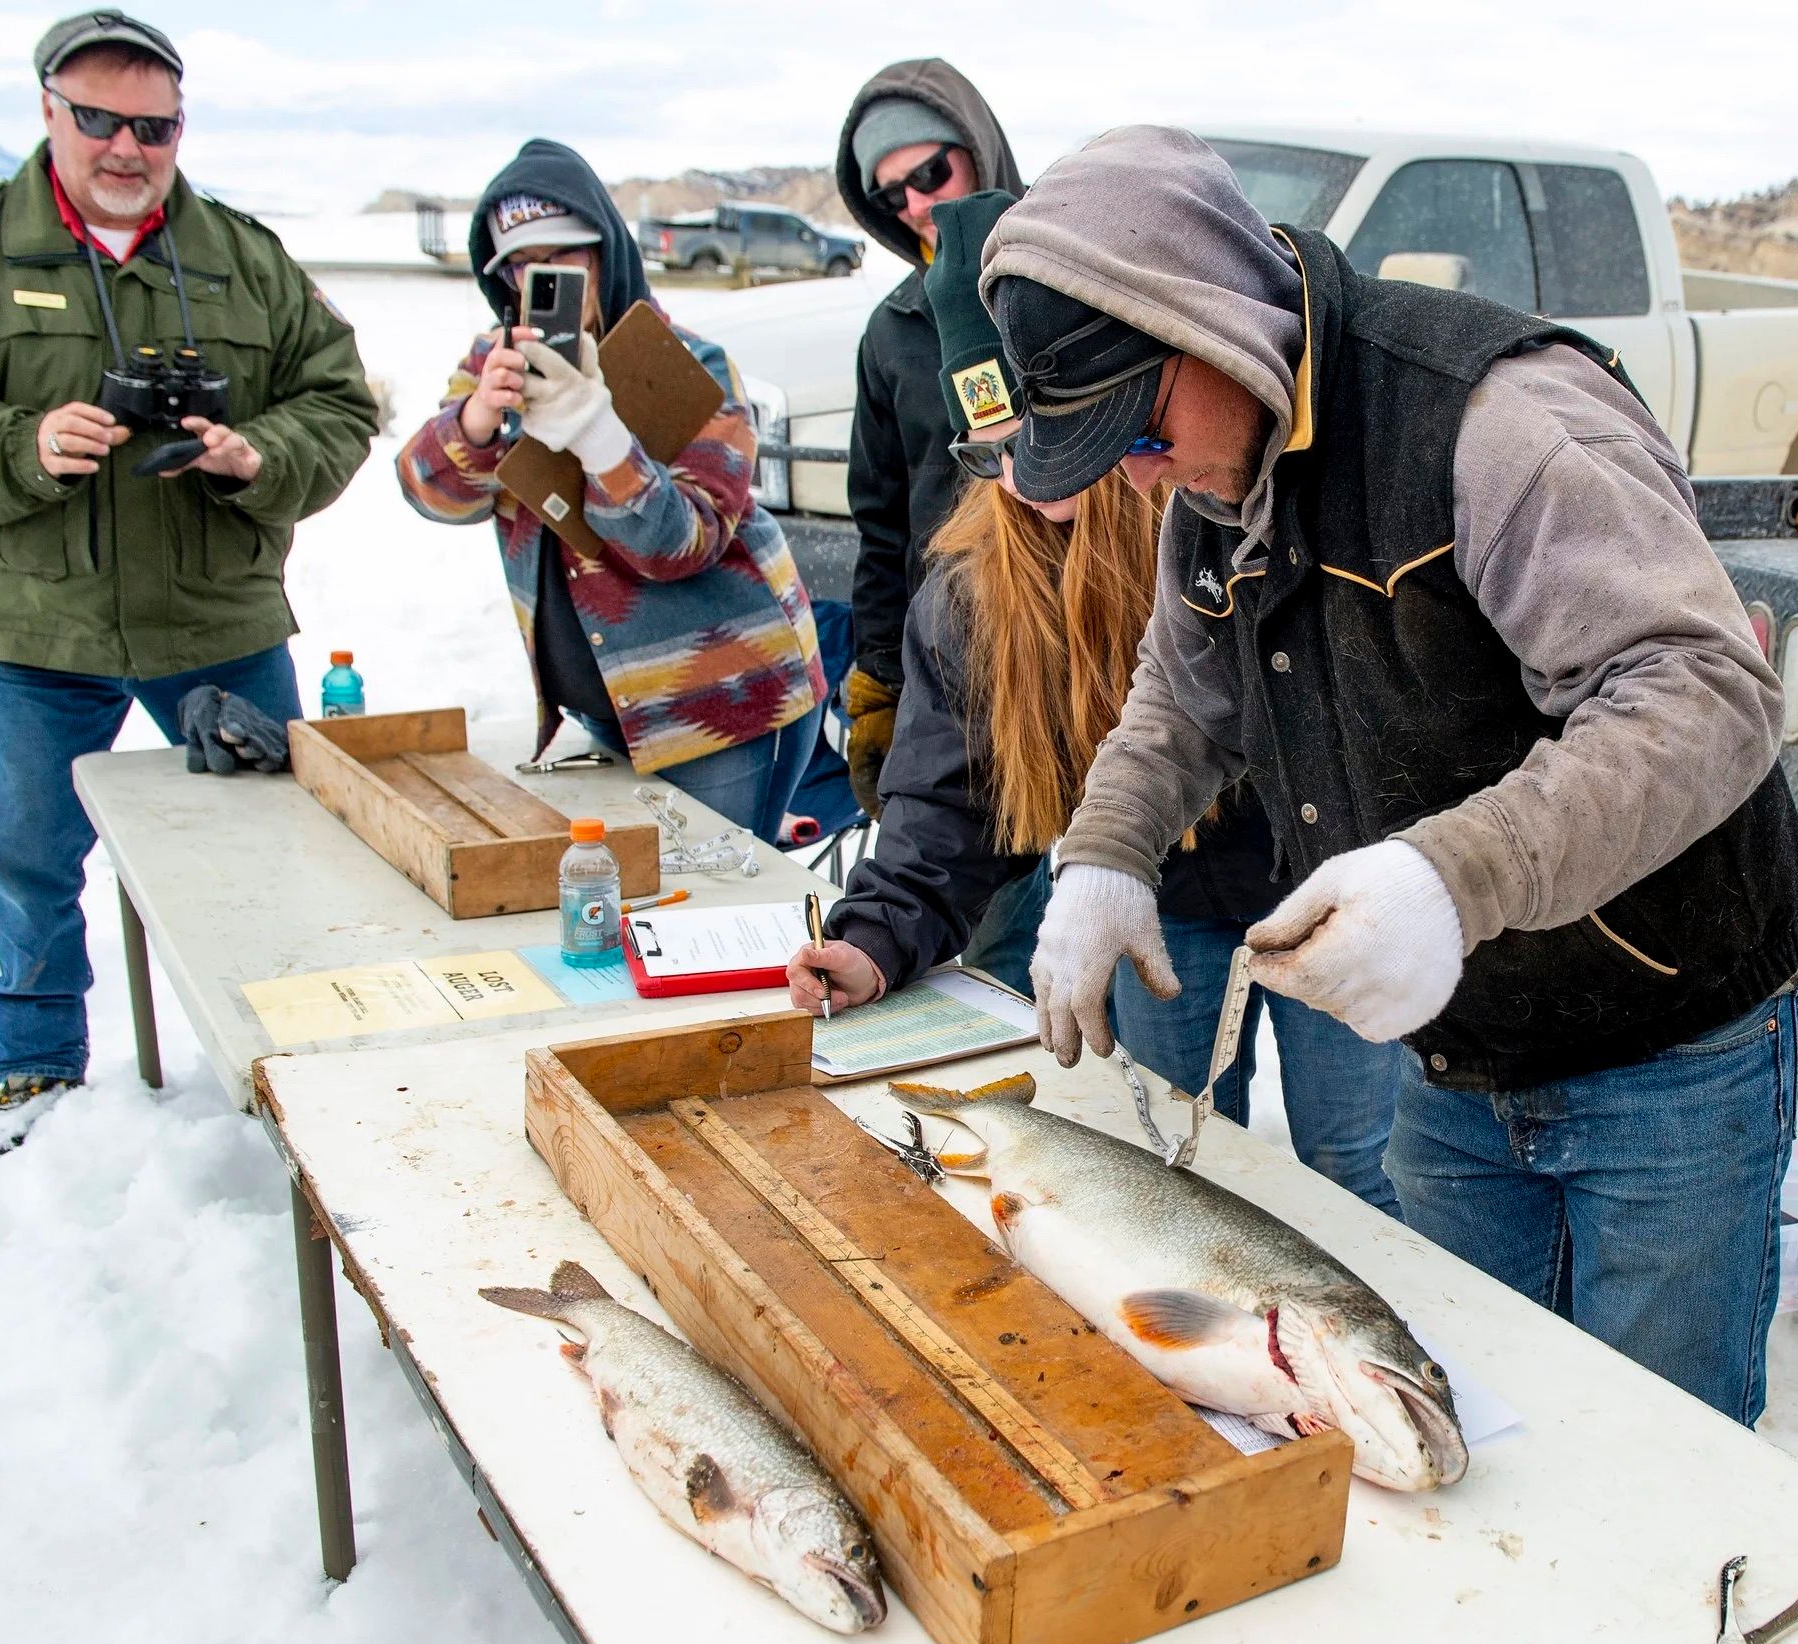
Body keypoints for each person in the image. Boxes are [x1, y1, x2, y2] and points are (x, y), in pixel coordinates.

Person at [978, 129, 1798, 1425]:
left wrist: (1452, 873)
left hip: (1663, 1035)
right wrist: (1105, 854)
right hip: (1457, 1051)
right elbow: (1179, 697)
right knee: (1473, 1413)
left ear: (1211, 320)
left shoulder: (1490, 423)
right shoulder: (1213, 478)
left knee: (1663, 1440)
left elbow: (1701, 695)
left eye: (1136, 428)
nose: (1136, 477)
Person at [785, 193, 1399, 1210]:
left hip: (1321, 883)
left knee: (1352, 1156)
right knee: (1187, 1161)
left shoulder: (1222, 500)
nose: (1027, 481)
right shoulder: (974, 589)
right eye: (993, 454)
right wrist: (873, 935)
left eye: (1043, 438)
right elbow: (947, 800)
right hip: (1156, 913)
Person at [0, 10, 376, 1158]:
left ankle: (284, 1057)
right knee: (28, 857)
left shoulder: (244, 257)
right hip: (32, 623)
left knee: (269, 851)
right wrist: (17, 444)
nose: (125, 147)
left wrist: (260, 456)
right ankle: (38, 1064)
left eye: (152, 126)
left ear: (179, 127)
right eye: (97, 119)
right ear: (48, 112)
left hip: (218, 618)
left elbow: (338, 403)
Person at [397, 140, 825, 841]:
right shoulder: (495, 364)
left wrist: (599, 433)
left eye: (564, 258)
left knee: (708, 912)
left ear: (604, 256)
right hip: (610, 708)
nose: (545, 279)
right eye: (523, 267)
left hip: (723, 703)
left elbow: (682, 543)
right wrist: (478, 420)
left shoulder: (686, 364)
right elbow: (428, 492)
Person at [832, 63, 1048, 993]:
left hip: (1111, 651)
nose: (918, 205)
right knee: (991, 959)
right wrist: (883, 678)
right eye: (893, 193)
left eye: (934, 176)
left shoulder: (1074, 274)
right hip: (973, 667)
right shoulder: (893, 332)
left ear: (980, 147)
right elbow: (882, 527)